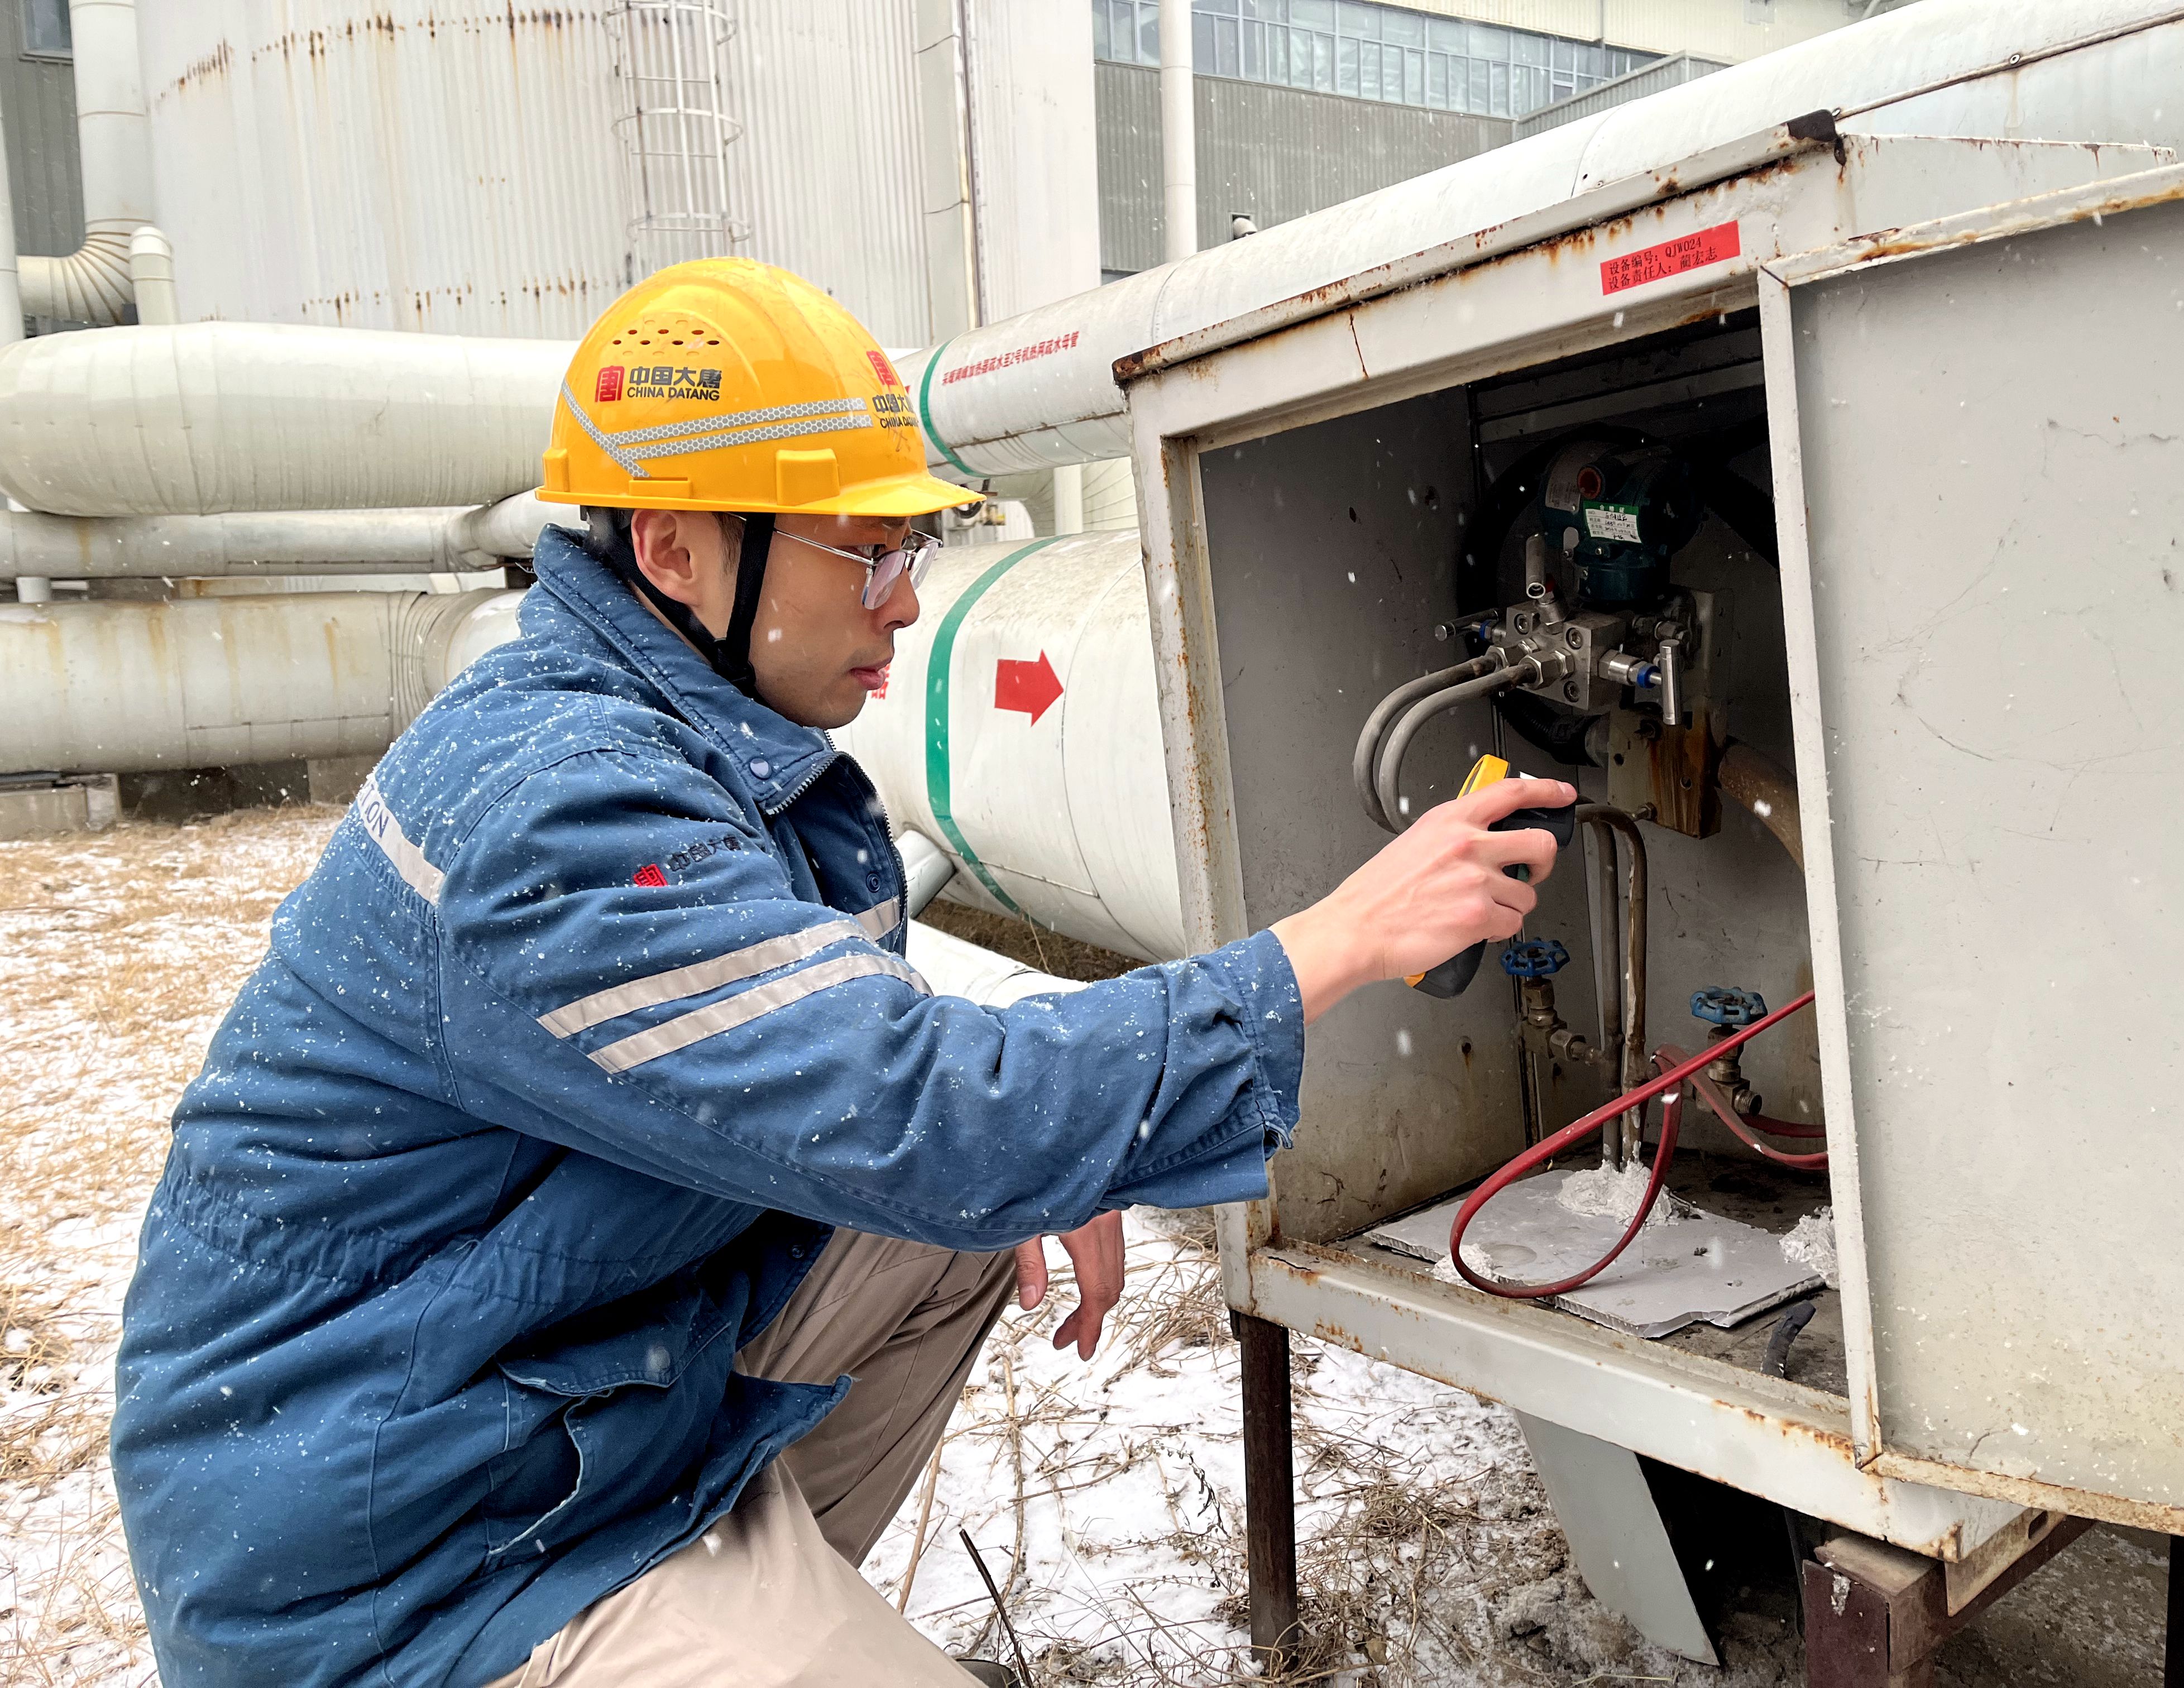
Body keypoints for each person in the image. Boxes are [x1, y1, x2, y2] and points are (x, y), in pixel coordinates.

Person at [111, 259, 1571, 1688]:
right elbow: (920, 1113)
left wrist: (1029, 1154)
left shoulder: (655, 731)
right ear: (676, 550)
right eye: (867, 550)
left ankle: (732, 1606)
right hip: (396, 1571)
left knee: (949, 1219)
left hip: (518, 1418)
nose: (906, 604)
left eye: (913, 549)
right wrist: (1334, 939)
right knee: (956, 1170)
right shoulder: (559, 806)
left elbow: (844, 1061)